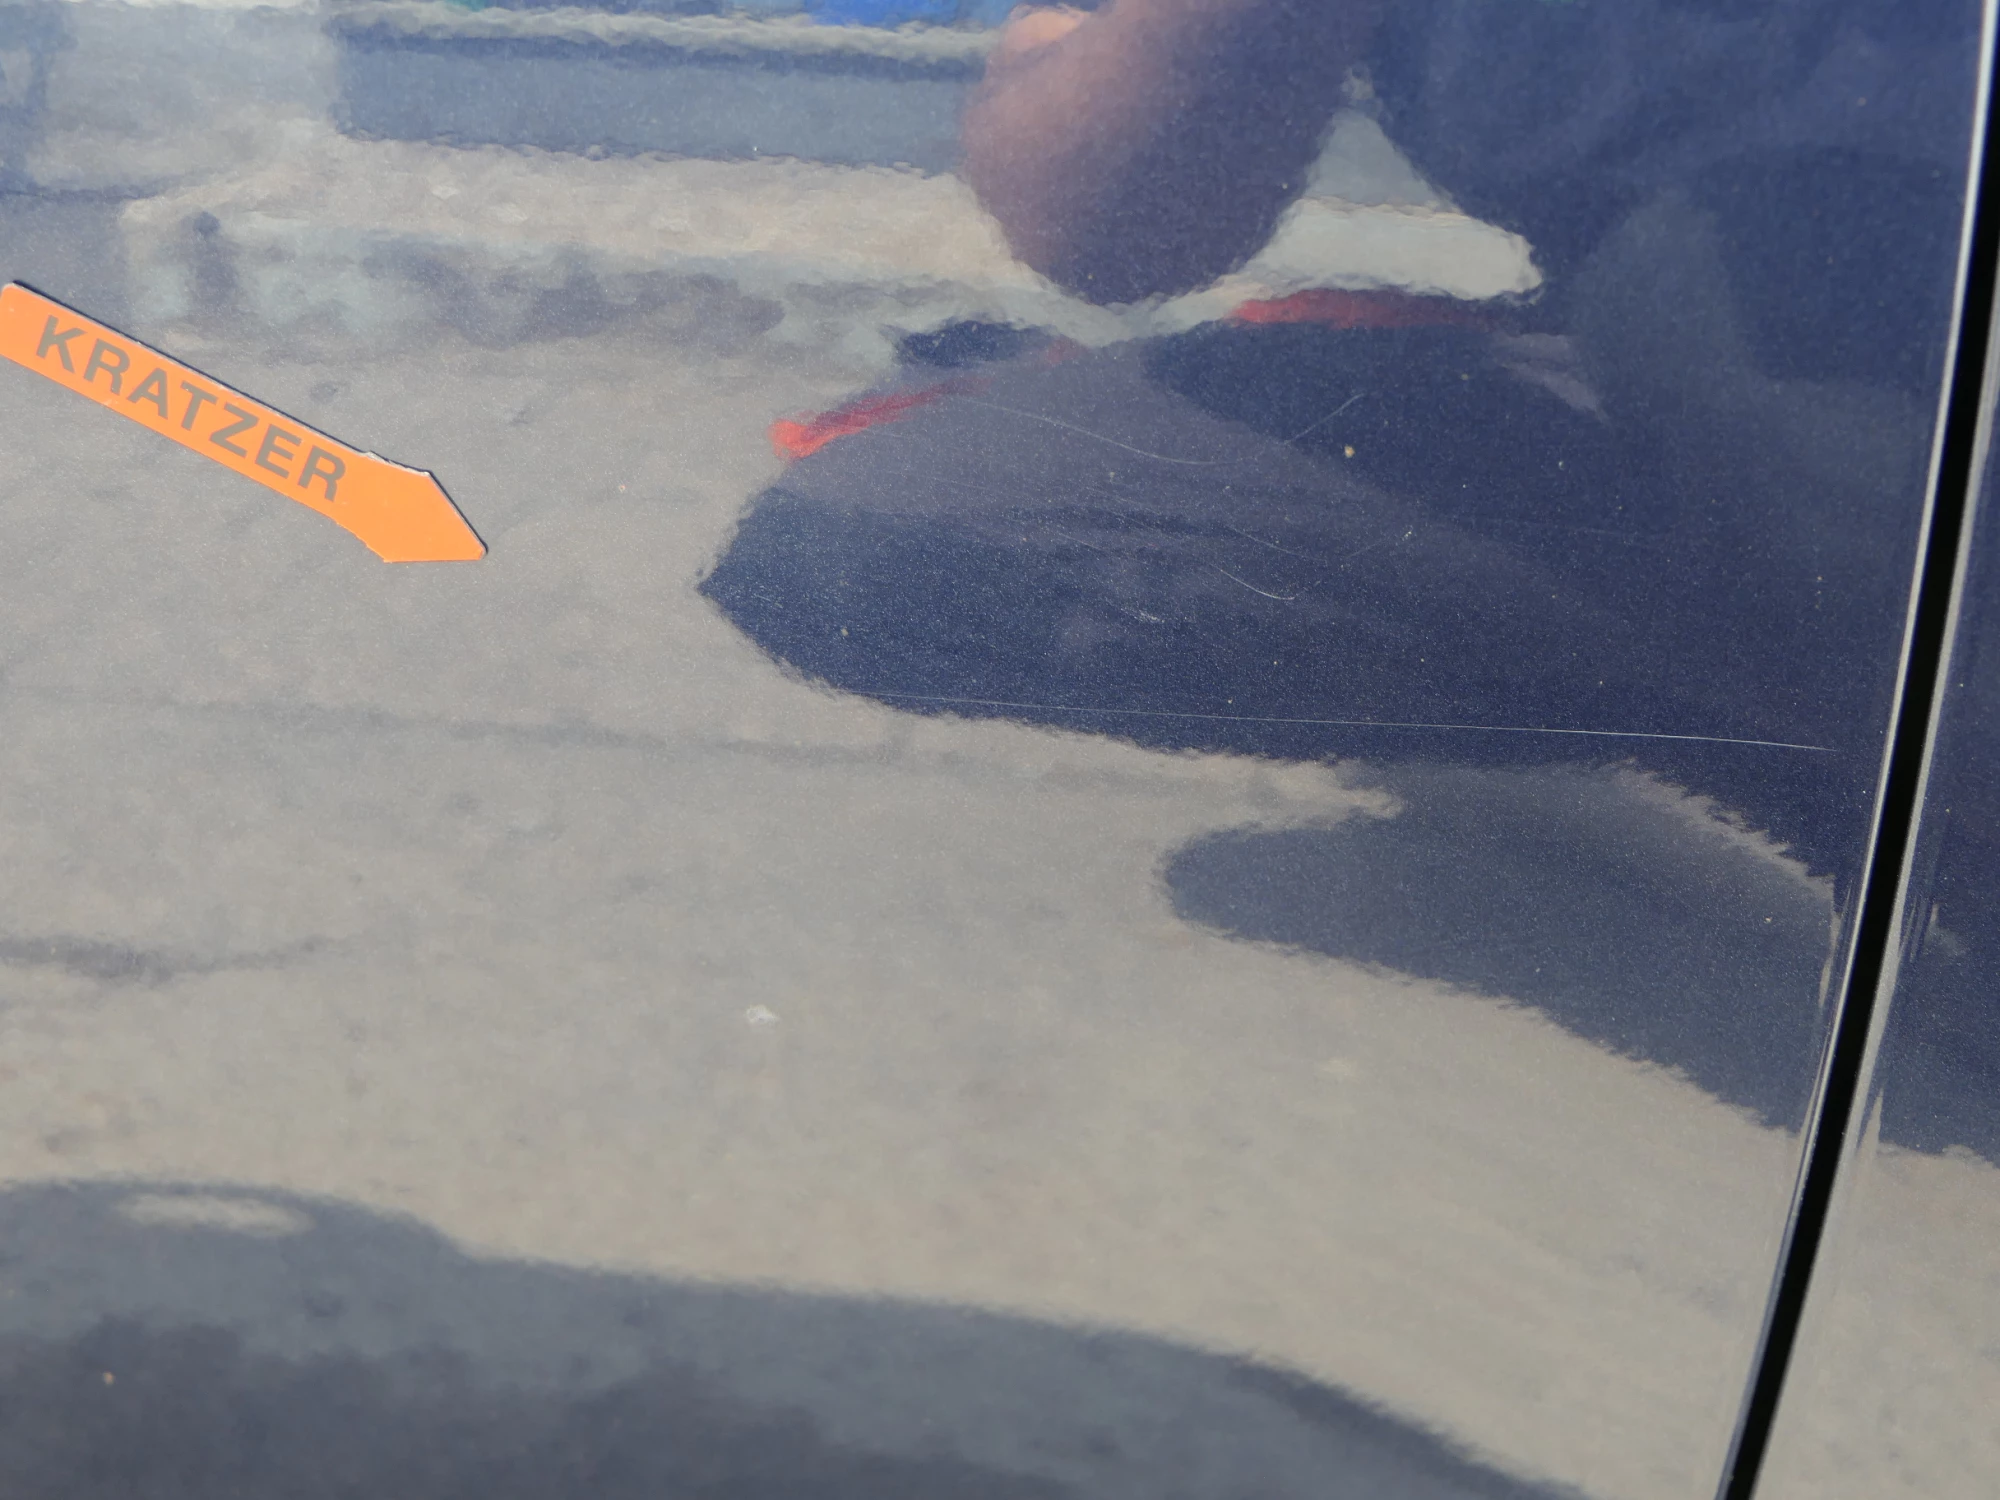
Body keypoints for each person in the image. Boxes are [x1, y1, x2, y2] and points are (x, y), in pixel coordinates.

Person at [702, 0, 1977, 876]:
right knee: (884, 548)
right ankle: (1803, 742)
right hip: (1700, 411)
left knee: (1715, 296)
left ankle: (1877, 755)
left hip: (1900, 410)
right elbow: (1102, 224)